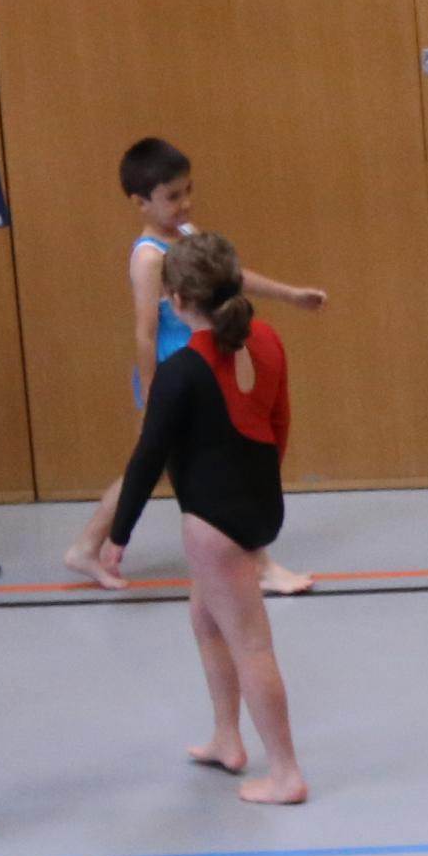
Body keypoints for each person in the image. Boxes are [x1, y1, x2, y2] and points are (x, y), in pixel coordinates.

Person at [93, 234, 307, 805]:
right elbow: (279, 422)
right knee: (206, 616)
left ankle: (285, 772)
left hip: (214, 522)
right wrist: (262, 486)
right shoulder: (267, 339)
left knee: (251, 645)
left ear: (177, 299)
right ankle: (226, 738)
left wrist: (118, 536)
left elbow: (148, 458)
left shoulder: (182, 370)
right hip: (260, 504)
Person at [61, 137, 325, 595]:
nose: (185, 203)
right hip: (176, 369)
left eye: (188, 191)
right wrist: (150, 394)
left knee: (155, 463)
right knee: (204, 462)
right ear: (140, 203)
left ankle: (87, 546)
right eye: (173, 196)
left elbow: (227, 276)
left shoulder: (184, 233)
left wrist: (289, 294)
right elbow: (145, 332)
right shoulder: (148, 258)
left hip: (204, 363)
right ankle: (257, 563)